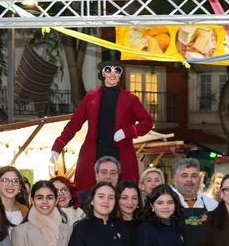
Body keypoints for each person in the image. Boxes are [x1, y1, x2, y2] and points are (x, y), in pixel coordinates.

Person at [50, 53, 153, 190]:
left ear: (120, 74)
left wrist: (127, 132)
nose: (112, 73)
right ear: (103, 73)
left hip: (121, 155)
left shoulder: (131, 99)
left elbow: (147, 122)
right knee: (88, 195)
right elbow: (74, 124)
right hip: (93, 155)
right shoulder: (90, 97)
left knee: (123, 196)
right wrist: (57, 147)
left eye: (117, 70)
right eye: (108, 69)